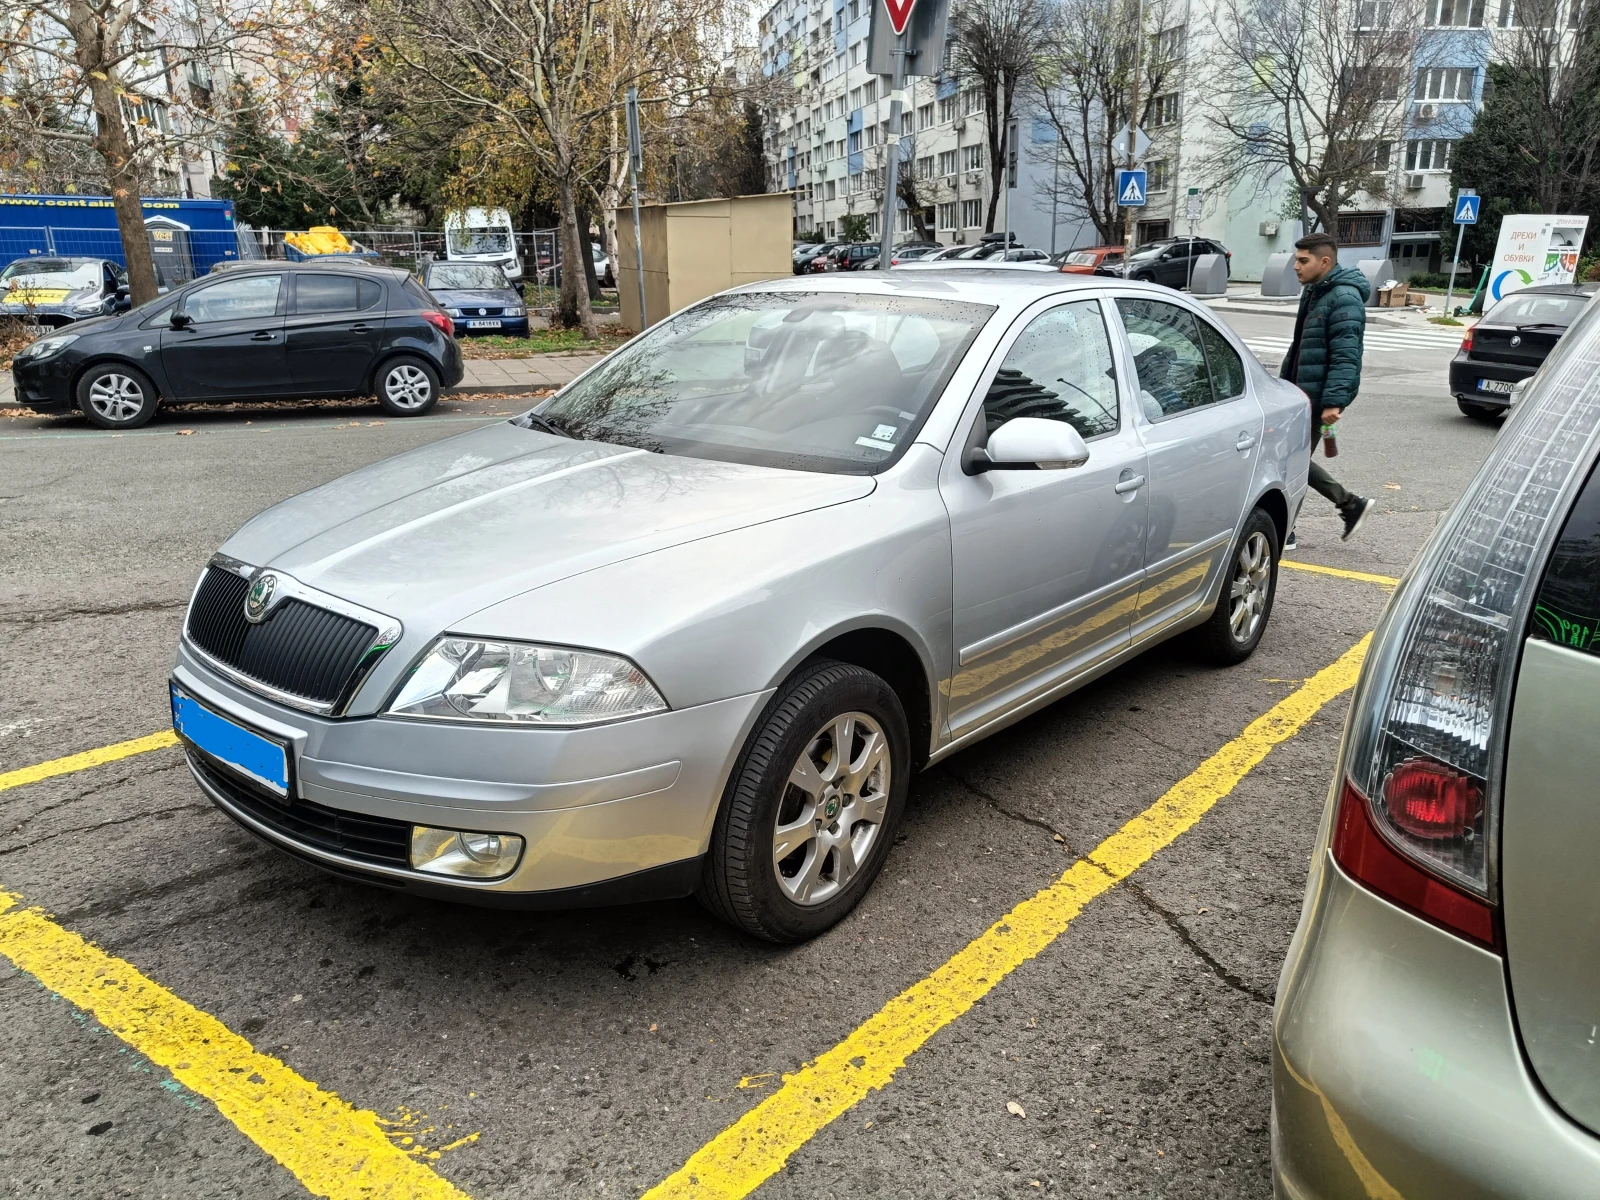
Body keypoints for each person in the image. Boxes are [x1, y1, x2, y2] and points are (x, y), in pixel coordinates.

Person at [1279, 232, 1376, 548]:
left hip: (1317, 397)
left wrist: (1333, 402)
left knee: (1289, 461)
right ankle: (1349, 505)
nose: (1296, 266)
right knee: (1290, 460)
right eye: (1296, 259)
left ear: (1325, 262)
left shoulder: (1343, 297)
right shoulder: (1317, 291)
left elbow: (1346, 354)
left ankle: (1293, 526)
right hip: (1300, 393)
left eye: (1303, 260)